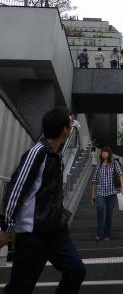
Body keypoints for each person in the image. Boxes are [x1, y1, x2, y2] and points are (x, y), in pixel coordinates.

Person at [0, 107, 86, 293]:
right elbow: (16, 188)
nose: (72, 127)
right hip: (33, 233)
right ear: (65, 130)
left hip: (55, 231)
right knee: (20, 287)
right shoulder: (37, 152)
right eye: (70, 124)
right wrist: (6, 227)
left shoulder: (56, 155)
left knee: (76, 270)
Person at [91, 146, 123, 241]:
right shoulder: (98, 165)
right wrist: (93, 195)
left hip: (112, 192)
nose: (104, 153)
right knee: (100, 208)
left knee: (109, 214)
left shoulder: (114, 163)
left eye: (106, 152)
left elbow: (120, 174)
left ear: (109, 153)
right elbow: (94, 181)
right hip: (100, 192)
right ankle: (99, 233)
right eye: (102, 152)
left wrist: (122, 186)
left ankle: (107, 234)